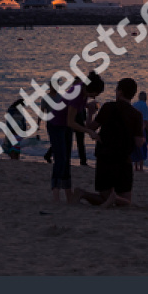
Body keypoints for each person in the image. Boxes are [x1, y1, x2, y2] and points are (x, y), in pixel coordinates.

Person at [75, 77, 146, 208]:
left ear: (119, 92)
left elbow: (90, 127)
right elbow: (139, 143)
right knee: (125, 202)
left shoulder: (108, 107)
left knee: (104, 197)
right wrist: (142, 134)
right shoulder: (137, 115)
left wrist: (90, 112)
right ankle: (113, 199)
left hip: (105, 157)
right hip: (123, 160)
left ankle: (83, 194)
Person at [48, 73, 102, 204]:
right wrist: (89, 131)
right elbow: (70, 122)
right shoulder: (77, 93)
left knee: (66, 159)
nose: (94, 97)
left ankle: (68, 194)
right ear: (89, 88)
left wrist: (89, 108)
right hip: (56, 125)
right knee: (60, 159)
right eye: (94, 93)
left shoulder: (82, 91)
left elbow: (74, 109)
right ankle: (56, 194)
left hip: (64, 126)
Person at [131, 89, 148, 172]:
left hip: (133, 129)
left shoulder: (134, 104)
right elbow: (146, 121)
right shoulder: (145, 106)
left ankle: (136, 166)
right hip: (142, 129)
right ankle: (141, 167)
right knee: (143, 148)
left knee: (136, 147)